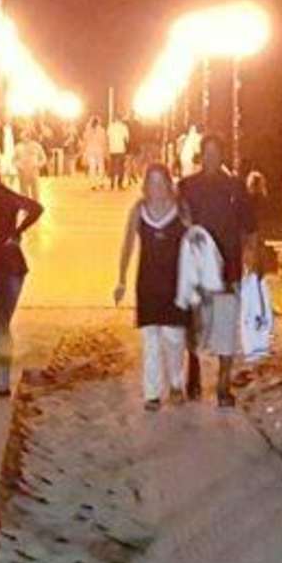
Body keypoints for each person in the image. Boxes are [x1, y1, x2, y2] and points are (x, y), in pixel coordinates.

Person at [179, 134, 255, 408]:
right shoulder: (187, 186)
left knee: (225, 324)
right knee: (194, 324)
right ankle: (194, 364)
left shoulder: (235, 187)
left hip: (228, 266)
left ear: (222, 155)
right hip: (197, 267)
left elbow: (250, 226)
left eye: (215, 152)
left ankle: (223, 385)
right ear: (201, 155)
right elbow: (178, 221)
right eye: (207, 153)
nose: (211, 157)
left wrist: (250, 257)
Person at [114, 163, 193, 410]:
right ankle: (152, 394)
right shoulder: (139, 210)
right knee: (151, 340)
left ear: (169, 184)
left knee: (174, 338)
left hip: (176, 285)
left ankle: (176, 383)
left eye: (160, 182)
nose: (156, 188)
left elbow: (195, 244)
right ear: (145, 186)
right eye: (151, 183)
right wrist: (121, 279)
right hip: (147, 283)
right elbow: (127, 244)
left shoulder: (181, 210)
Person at [0, 158, 44, 396]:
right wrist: (17, 231)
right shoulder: (2, 196)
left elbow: (36, 207)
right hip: (5, 266)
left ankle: (1, 377)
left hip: (3, 268)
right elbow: (36, 208)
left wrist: (17, 231)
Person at [106, 114, 131, 189]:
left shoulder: (110, 127)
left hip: (112, 149)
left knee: (112, 166)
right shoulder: (124, 127)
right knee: (120, 166)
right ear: (121, 119)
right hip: (121, 149)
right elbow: (127, 139)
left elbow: (108, 137)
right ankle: (119, 183)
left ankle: (112, 183)